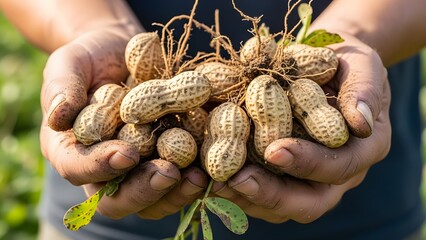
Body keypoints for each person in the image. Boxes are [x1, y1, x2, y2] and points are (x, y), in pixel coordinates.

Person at [0, 0, 425, 239]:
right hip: (110, 225)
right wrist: (89, 26)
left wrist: (358, 32)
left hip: (363, 220)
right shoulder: (139, 100)